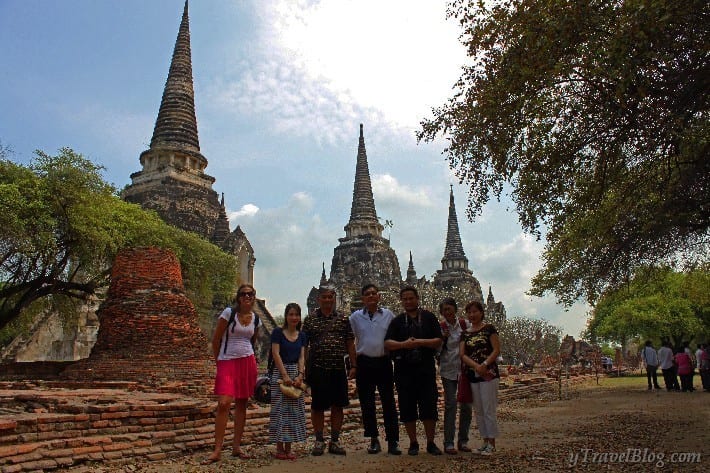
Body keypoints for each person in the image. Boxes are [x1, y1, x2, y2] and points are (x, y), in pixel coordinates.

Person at [384, 286, 444, 456]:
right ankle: (413, 443)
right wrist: (405, 345)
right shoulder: (397, 321)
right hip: (404, 370)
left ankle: (431, 442)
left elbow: (438, 341)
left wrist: (419, 342)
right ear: (401, 301)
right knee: (407, 407)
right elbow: (387, 343)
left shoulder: (429, 317)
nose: (408, 301)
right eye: (405, 299)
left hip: (425, 368)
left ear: (418, 299)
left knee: (429, 406)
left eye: (411, 298)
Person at [203, 284, 259, 464]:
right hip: (227, 361)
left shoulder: (255, 319)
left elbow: (253, 341)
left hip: (247, 361)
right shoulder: (229, 313)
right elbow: (216, 339)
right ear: (238, 297)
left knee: (242, 403)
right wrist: (218, 361)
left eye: (250, 294)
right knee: (224, 403)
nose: (247, 297)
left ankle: (236, 447)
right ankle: (217, 449)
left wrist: (254, 360)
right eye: (243, 294)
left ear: (254, 297)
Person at [302, 285, 357, 456]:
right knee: (317, 405)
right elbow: (304, 345)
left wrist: (354, 365)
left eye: (330, 297)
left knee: (338, 405)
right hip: (317, 367)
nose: (327, 300)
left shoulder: (342, 318)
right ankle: (319, 440)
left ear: (335, 298)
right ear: (318, 299)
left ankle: (334, 440)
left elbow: (349, 343)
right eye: (324, 297)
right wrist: (303, 367)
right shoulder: (310, 320)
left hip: (338, 367)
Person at [349, 284, 401, 455]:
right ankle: (373, 439)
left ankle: (393, 441)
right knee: (367, 403)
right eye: (367, 294)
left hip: (384, 362)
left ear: (379, 296)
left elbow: (396, 337)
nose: (371, 296)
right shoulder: (355, 317)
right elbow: (350, 341)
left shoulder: (388, 315)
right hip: (364, 363)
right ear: (363, 298)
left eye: (373, 293)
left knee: (388, 402)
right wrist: (353, 364)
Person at [460, 300, 501, 456]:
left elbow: (496, 350)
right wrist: (475, 366)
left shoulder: (489, 329)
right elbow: (462, 354)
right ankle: (484, 441)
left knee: (489, 409)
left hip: (489, 373)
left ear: (481, 312)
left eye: (475, 311)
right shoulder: (466, 333)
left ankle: (492, 443)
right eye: (469, 312)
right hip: (473, 374)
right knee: (479, 410)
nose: (472, 315)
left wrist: (484, 364)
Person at [269, 303, 308, 460]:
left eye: (297, 315)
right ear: (286, 316)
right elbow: (275, 353)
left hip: (295, 373)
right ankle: (279, 448)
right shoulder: (278, 332)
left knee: (293, 411)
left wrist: (300, 375)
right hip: (280, 373)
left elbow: (302, 356)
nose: (294, 318)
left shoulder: (302, 335)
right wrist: (284, 375)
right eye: (291, 314)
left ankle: (289, 447)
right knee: (280, 411)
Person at [437, 297, 473, 455]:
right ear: (442, 313)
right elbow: (436, 351)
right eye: (444, 310)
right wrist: (442, 338)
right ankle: (448, 442)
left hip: (465, 370)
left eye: (449, 309)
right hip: (448, 369)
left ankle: (463, 440)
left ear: (455, 309)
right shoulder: (441, 328)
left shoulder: (466, 325)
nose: (447, 312)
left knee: (466, 405)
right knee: (450, 404)